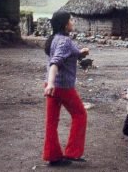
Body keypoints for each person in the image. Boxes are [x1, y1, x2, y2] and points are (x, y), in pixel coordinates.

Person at [43, 11, 89, 166]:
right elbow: (55, 62)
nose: (73, 22)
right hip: (62, 87)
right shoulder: (65, 41)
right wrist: (51, 84)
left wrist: (80, 53)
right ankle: (72, 152)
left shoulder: (55, 39)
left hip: (52, 86)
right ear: (65, 24)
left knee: (51, 122)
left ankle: (53, 156)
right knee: (80, 115)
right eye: (71, 20)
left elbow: (66, 55)